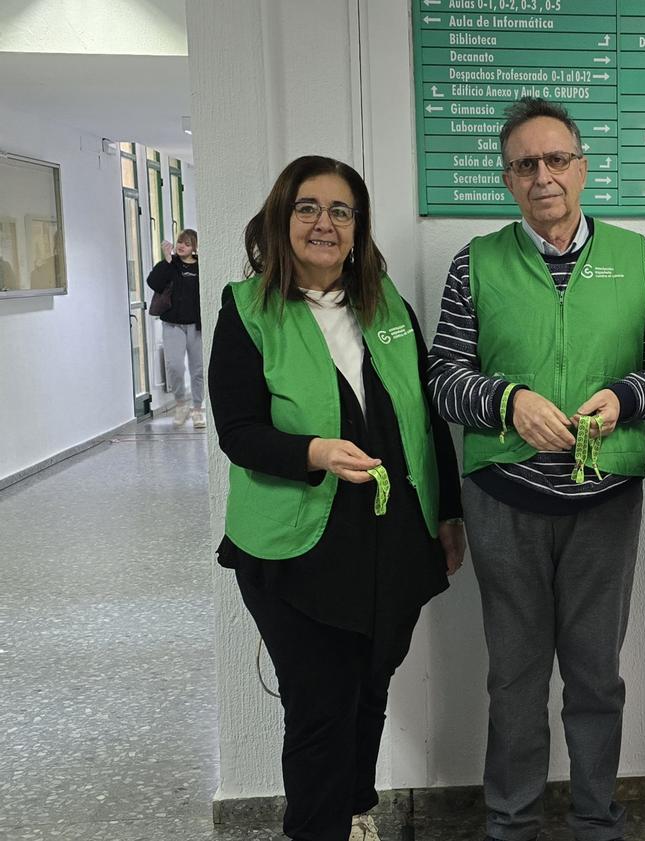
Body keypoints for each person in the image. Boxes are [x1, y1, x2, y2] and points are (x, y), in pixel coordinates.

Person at [428, 97, 645, 841]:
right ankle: (511, 822)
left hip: (604, 501)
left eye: (556, 159)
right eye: (525, 165)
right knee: (514, 676)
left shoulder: (638, 257)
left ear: (582, 167)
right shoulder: (476, 263)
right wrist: (508, 402)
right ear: (508, 180)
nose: (543, 176)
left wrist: (625, 397)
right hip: (503, 501)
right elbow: (442, 378)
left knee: (596, 674)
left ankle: (597, 819)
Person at [207, 155, 466, 841]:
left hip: (392, 541)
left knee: (371, 687)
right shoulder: (247, 309)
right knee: (320, 705)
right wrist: (314, 453)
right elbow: (239, 432)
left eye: (340, 211)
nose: (324, 223)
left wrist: (448, 513)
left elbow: (427, 418)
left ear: (358, 228)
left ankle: (353, 813)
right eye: (308, 208)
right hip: (295, 547)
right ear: (281, 218)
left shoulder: (387, 306)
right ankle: (316, 829)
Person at [147, 229, 205, 427]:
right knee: (174, 366)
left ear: (194, 247)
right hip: (172, 324)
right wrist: (166, 260)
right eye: (180, 242)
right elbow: (153, 283)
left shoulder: (201, 266)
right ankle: (181, 404)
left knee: (198, 369)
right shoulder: (170, 265)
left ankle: (197, 409)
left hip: (196, 326)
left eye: (187, 244)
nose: (182, 246)